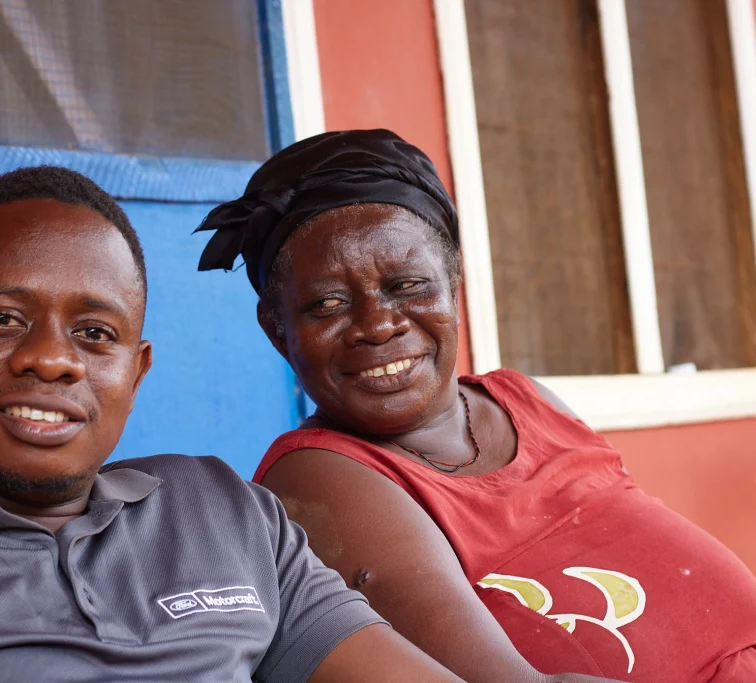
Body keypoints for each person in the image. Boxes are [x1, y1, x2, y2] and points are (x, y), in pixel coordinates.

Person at [0, 166, 466, 682]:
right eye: (3, 319)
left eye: (95, 334)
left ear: (136, 371)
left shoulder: (219, 512)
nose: (51, 359)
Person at [196, 129, 756, 682]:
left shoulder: (527, 399)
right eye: (328, 303)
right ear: (277, 329)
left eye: (407, 285)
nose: (377, 326)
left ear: (453, 282)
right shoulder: (322, 476)